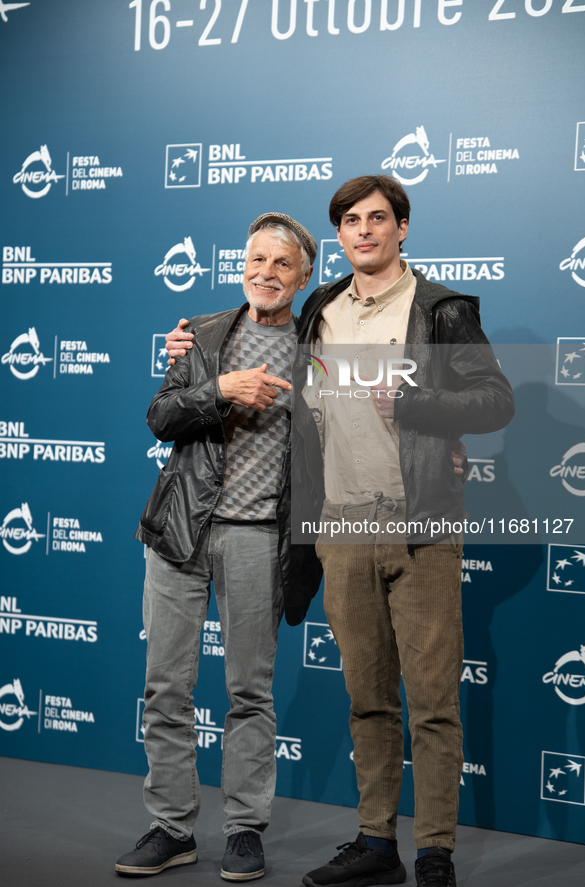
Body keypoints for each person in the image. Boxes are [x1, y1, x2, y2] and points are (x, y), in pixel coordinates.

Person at [163, 179, 506, 887]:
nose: (364, 230)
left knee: (434, 702)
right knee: (369, 697)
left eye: (377, 218)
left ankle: (434, 850)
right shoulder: (318, 312)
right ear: (340, 239)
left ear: (402, 228)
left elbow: (495, 398)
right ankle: (376, 843)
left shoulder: (439, 309)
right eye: (351, 221)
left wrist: (425, 406)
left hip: (420, 530)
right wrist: (189, 345)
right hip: (341, 531)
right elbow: (254, 331)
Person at [115, 213, 322, 879]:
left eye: (281, 263)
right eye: (255, 259)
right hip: (179, 532)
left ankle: (243, 829)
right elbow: (160, 417)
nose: (265, 272)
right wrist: (220, 389)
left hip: (260, 538)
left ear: (304, 276)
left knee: (248, 691)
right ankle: (172, 826)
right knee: (165, 686)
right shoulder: (202, 332)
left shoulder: (322, 345)